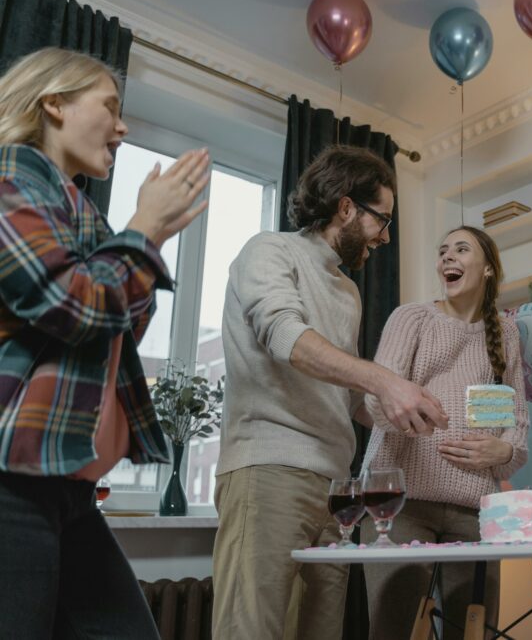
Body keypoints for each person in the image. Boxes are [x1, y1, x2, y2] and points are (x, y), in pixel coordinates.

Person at [0, 47, 208, 638]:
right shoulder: (9, 177)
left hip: (69, 491)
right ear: (55, 103)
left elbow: (125, 327)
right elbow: (73, 304)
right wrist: (144, 228)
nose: (122, 127)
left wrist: (152, 235)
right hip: (11, 481)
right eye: (110, 107)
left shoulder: (84, 214)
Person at [211, 144, 448, 640]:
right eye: (381, 220)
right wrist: (385, 380)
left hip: (339, 492)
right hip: (269, 470)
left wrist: (402, 412)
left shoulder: (349, 290)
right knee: (252, 630)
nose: (384, 237)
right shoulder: (269, 251)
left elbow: (347, 394)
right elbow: (286, 338)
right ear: (345, 207)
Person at [359, 226, 529, 639]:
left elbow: (515, 428)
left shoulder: (504, 333)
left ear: (488, 269)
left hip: (475, 512)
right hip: (398, 507)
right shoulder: (413, 318)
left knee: (474, 633)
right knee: (393, 632)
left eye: (461, 249)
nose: (447, 258)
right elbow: (375, 401)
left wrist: (501, 452)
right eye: (442, 251)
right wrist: (404, 410)